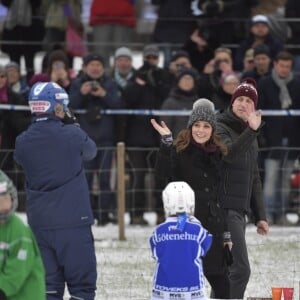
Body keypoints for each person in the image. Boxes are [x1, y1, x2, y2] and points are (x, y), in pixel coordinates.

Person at [14, 82, 98, 300]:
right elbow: (91, 151)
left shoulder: (22, 141)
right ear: (57, 107)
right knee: (82, 288)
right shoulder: (72, 134)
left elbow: (19, 158)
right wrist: (74, 125)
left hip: (40, 223)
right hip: (73, 222)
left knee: (48, 287)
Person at [151, 98, 232, 298]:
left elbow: (222, 195)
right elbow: (161, 176)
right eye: (197, 125)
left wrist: (226, 233)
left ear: (212, 129)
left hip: (213, 228)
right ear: (190, 127)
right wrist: (166, 143)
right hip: (185, 229)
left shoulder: (220, 154)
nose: (201, 130)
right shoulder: (179, 151)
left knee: (222, 284)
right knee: (184, 287)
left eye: (206, 126)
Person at [216, 77, 269, 298]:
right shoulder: (219, 126)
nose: (244, 104)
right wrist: (252, 132)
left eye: (249, 100)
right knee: (240, 270)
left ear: (254, 107)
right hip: (224, 209)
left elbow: (254, 176)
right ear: (232, 103)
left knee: (226, 270)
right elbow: (228, 154)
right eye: (240, 99)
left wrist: (261, 216)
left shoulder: (250, 132)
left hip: (239, 211)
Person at [69, 52, 121, 225]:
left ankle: (104, 214)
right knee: (85, 180)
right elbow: (69, 107)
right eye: (92, 65)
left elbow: (119, 106)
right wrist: (82, 93)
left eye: (98, 65)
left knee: (106, 179)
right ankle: (87, 214)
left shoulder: (110, 83)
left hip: (106, 139)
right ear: (85, 67)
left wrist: (104, 95)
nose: (95, 68)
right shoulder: (77, 83)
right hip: (84, 141)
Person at [149, 181, 213, 300]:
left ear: (166, 203)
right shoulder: (198, 229)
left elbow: (155, 253)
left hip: (162, 293)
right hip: (194, 292)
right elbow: (207, 244)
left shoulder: (158, 231)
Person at [257, 50, 300, 225]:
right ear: (275, 65)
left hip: (292, 140)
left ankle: (282, 214)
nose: (284, 69)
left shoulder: (297, 84)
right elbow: (260, 113)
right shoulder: (265, 83)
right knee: (271, 178)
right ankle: (268, 215)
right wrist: (262, 138)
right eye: (281, 65)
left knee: (285, 180)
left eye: (287, 66)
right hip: (271, 140)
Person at [0, 169, 46, 300]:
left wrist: (3, 288)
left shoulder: (18, 229)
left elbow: (18, 267)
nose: (3, 207)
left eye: (6, 199)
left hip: (25, 294)